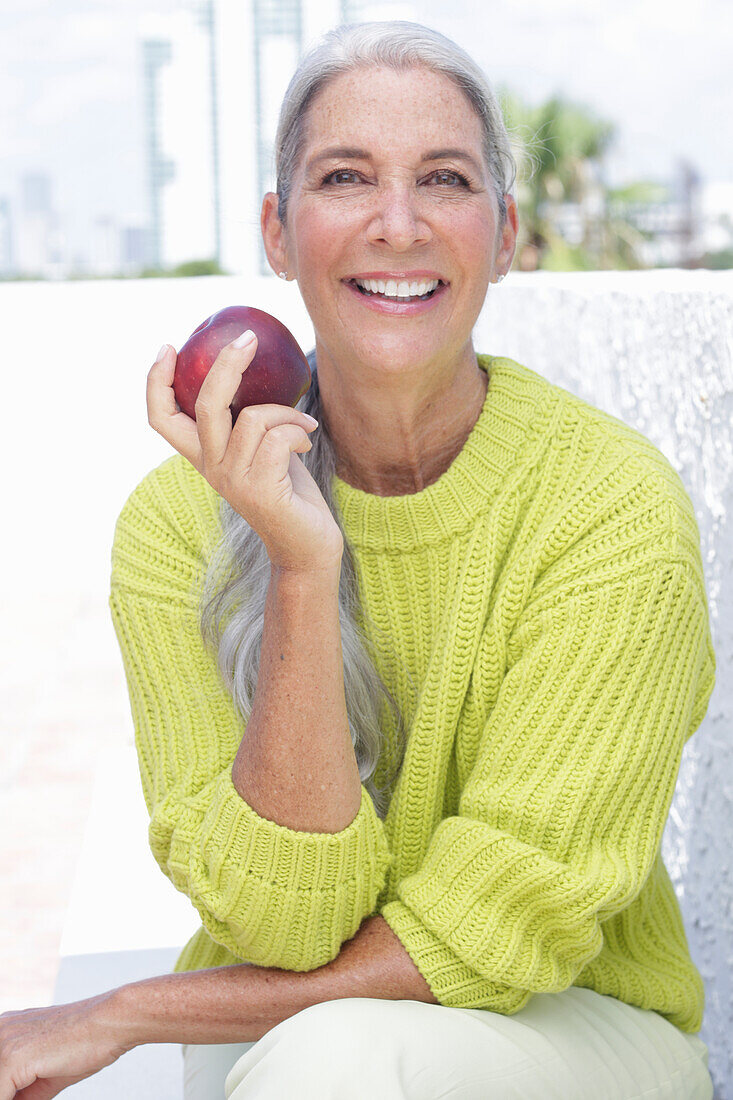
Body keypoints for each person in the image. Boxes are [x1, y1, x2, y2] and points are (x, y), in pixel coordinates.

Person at [0, 19, 716, 1100]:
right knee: (316, 1055)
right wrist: (298, 569)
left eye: (443, 178)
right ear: (278, 236)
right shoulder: (173, 528)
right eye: (345, 177)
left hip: (575, 1023)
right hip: (288, 1024)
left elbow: (487, 937)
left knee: (330, 1059)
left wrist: (124, 1010)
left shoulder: (607, 512)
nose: (397, 223)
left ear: (506, 232)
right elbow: (287, 922)